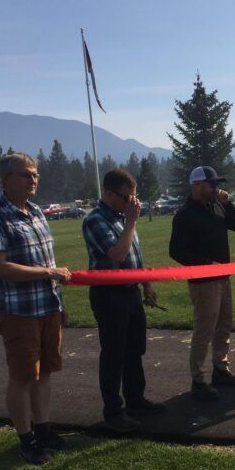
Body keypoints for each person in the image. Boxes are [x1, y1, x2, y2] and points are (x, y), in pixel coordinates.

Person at [0, 153, 71, 465]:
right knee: (22, 377)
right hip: (19, 313)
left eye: (35, 174)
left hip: (48, 308)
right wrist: (48, 274)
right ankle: (25, 438)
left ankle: (43, 430)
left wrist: (57, 295)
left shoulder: (36, 212)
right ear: (6, 179)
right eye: (25, 175)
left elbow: (47, 263)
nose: (33, 180)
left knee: (44, 375)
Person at [82, 168, 165, 433]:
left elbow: (134, 255)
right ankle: (113, 411)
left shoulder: (123, 216)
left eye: (135, 197)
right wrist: (131, 222)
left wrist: (146, 283)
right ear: (108, 194)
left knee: (134, 350)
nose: (133, 203)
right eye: (127, 197)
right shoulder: (96, 220)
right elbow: (117, 254)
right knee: (114, 354)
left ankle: (135, 400)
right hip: (109, 295)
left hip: (130, 292)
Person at [169, 165, 235, 400]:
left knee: (224, 325)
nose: (216, 188)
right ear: (198, 186)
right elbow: (176, 250)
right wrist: (205, 263)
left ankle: (220, 369)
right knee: (205, 329)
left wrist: (228, 203)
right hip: (204, 281)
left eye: (217, 185)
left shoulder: (217, 206)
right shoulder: (185, 214)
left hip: (223, 277)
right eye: (212, 185)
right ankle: (199, 380)